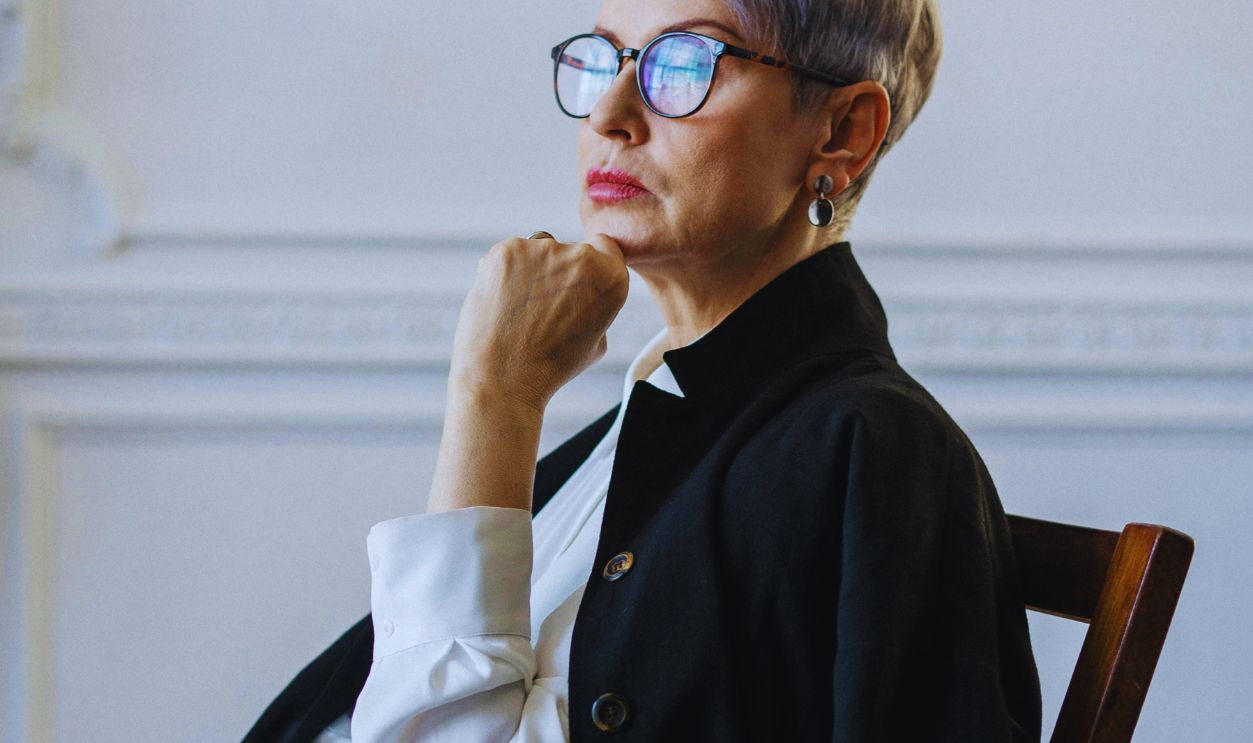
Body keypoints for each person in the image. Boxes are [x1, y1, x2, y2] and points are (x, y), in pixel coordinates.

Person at [245, 0, 1042, 740]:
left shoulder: (869, 444)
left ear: (841, 131)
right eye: (603, 61)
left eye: (684, 64)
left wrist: (495, 394)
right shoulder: (646, 422)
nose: (607, 116)